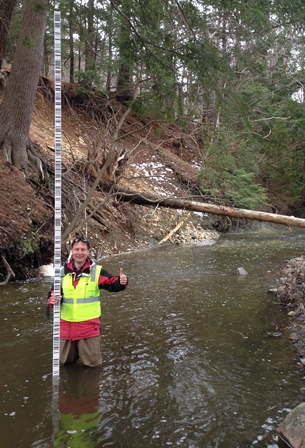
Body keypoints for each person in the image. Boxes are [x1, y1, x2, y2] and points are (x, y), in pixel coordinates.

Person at [47, 236, 128, 367]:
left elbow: (112, 284)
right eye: (77, 249)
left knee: (91, 366)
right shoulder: (61, 273)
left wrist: (121, 281)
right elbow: (52, 295)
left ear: (88, 251)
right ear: (72, 251)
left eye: (83, 249)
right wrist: (53, 300)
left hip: (88, 328)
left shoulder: (96, 271)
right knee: (64, 365)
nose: (80, 252)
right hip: (66, 328)